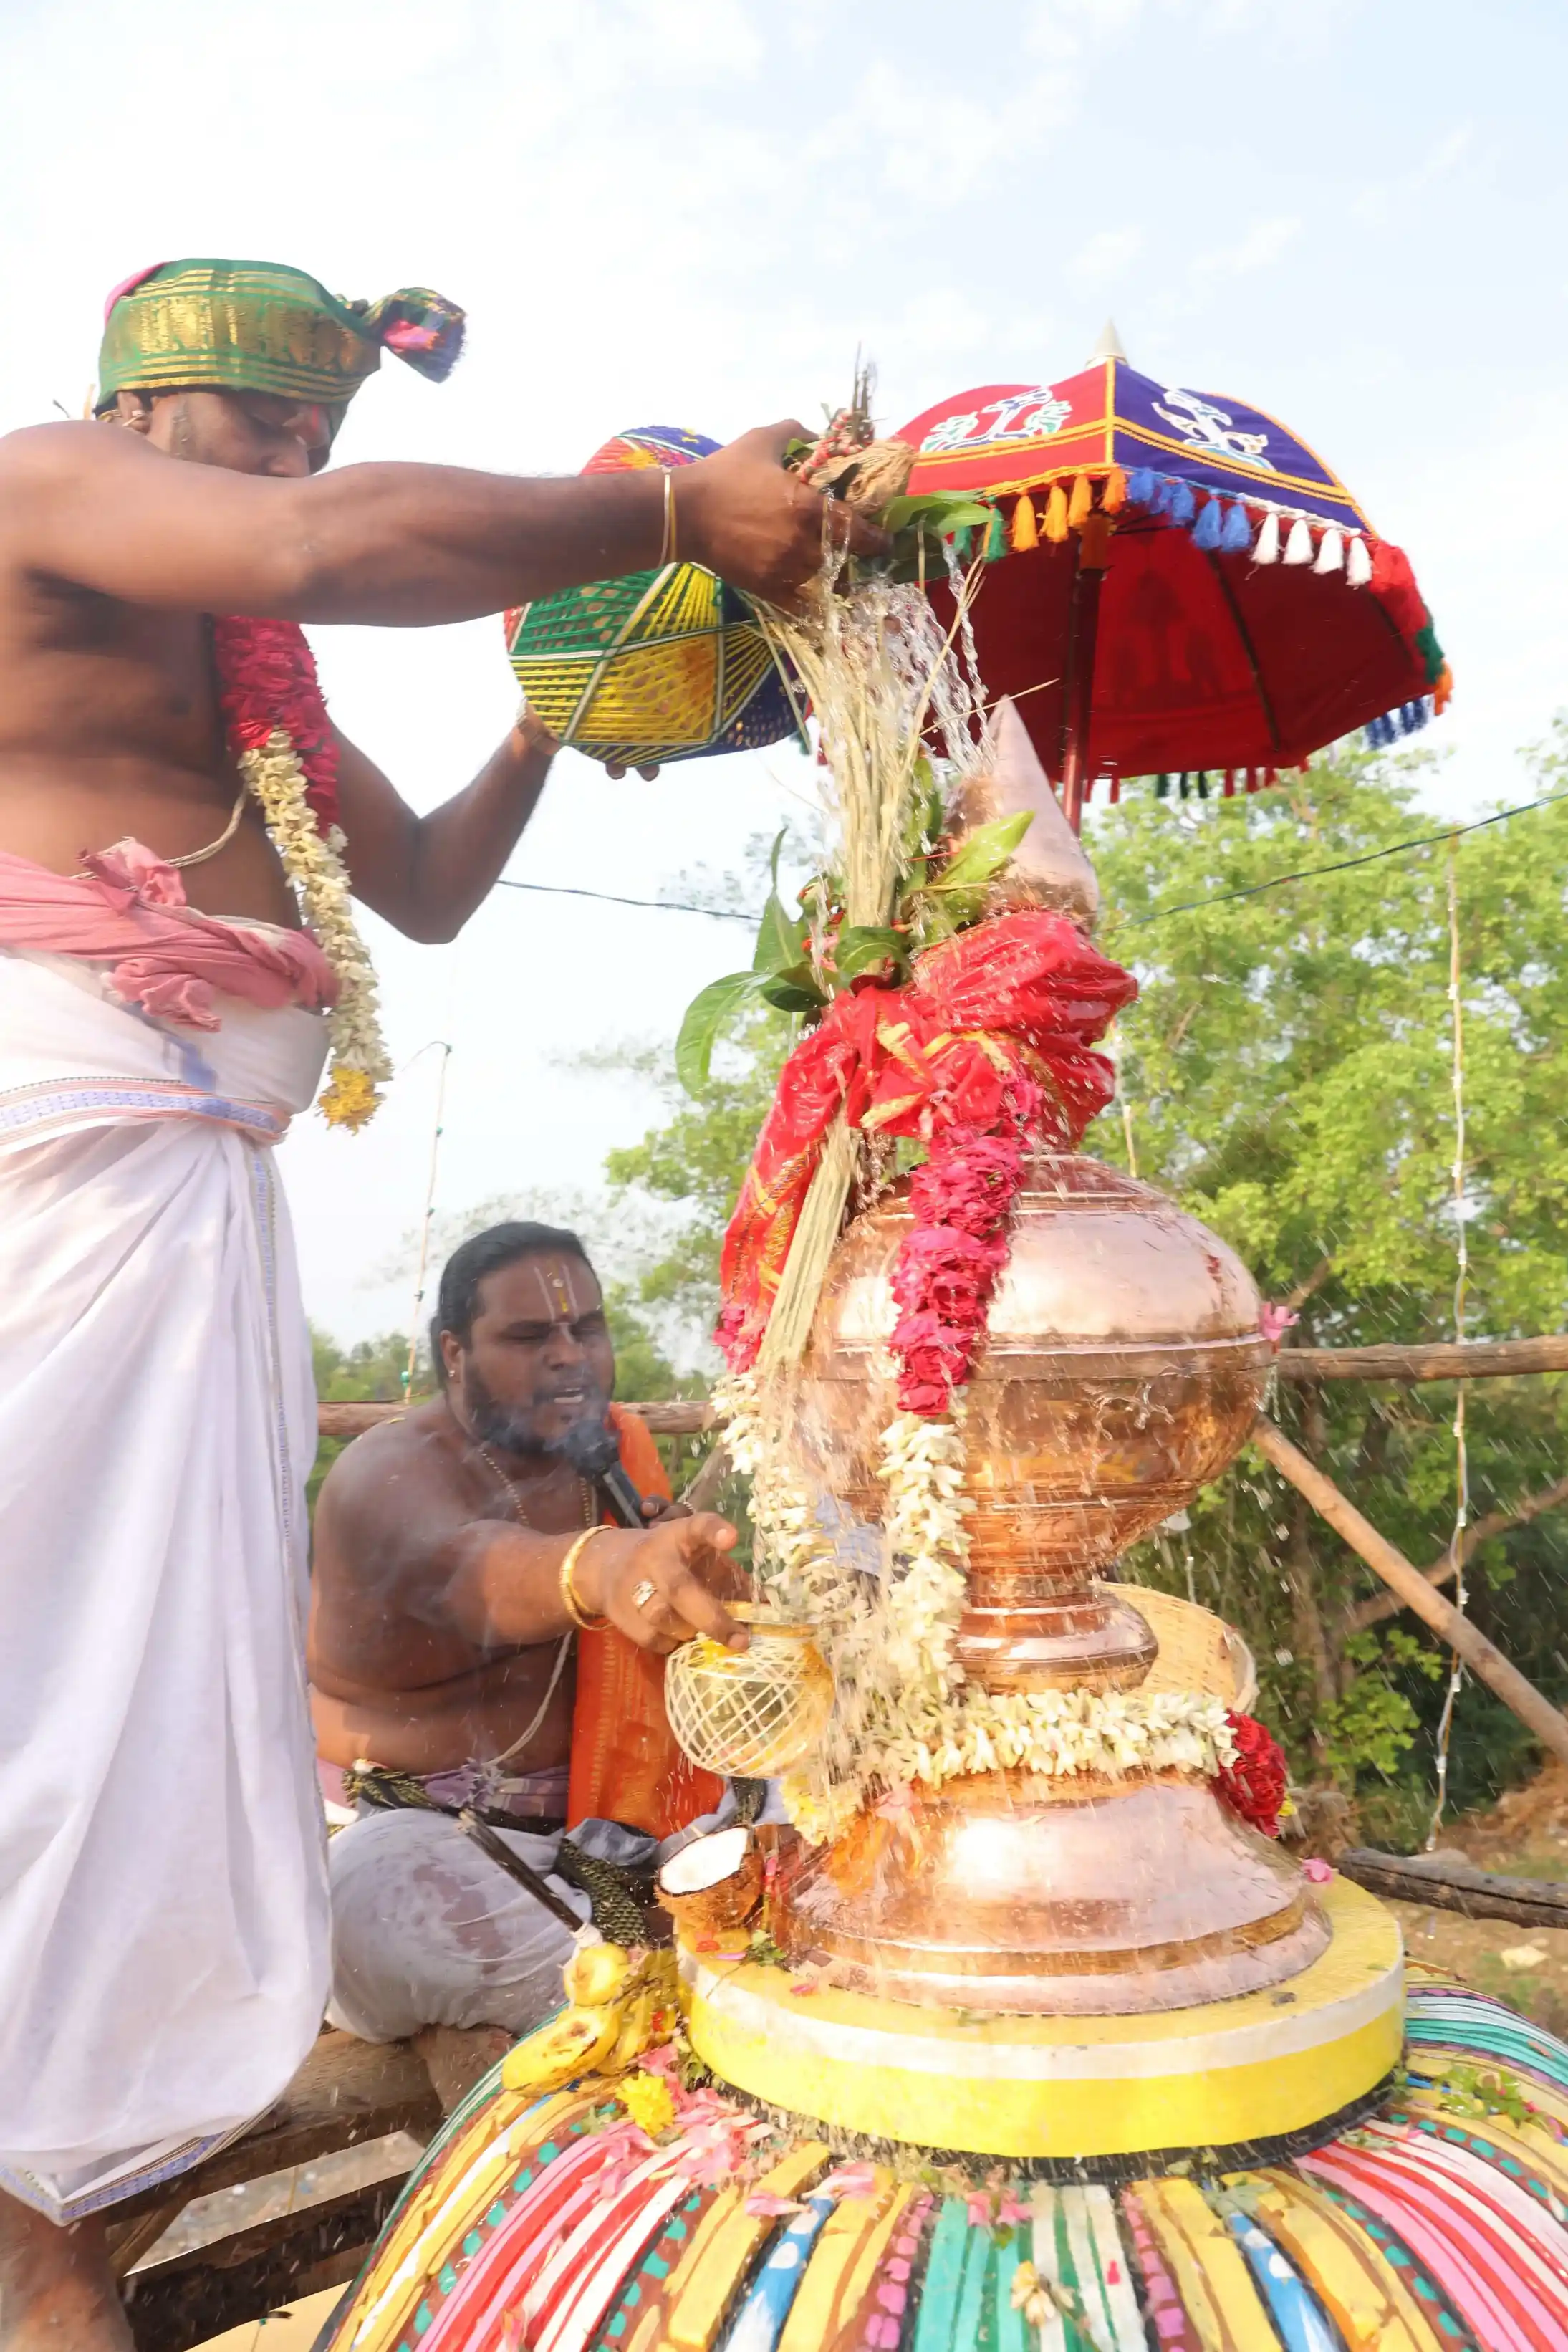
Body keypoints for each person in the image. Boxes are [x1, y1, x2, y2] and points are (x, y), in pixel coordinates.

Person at [0, 256, 881, 2348]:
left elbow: (431, 888)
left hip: (192, 1250)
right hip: (55, 1210)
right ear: (140, 415)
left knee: (127, 1763)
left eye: (322, 431)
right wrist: (673, 518)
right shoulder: (40, 487)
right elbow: (326, 549)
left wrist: (565, 695)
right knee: (39, 1712)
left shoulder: (242, 703)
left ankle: (54, 2203)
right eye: (263, 430)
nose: (297, 471)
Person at [310, 1221, 736, 2073]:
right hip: (418, 1839)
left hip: (610, 1839)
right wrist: (602, 1565)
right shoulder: (387, 1478)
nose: (567, 1356)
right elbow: (461, 1568)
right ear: (455, 1352)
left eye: (586, 1327)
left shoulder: (608, 1459)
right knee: (407, 1916)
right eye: (529, 1335)